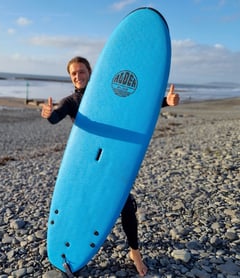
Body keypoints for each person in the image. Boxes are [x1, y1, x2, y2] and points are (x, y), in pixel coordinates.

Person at [41, 56, 179, 276]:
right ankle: (74, 246)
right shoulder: (70, 102)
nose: (78, 76)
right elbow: (56, 116)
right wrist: (49, 115)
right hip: (85, 161)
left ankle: (135, 251)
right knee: (80, 201)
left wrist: (165, 101)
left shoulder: (109, 92)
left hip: (112, 157)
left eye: (81, 72)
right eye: (73, 74)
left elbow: (136, 105)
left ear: (90, 72)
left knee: (124, 202)